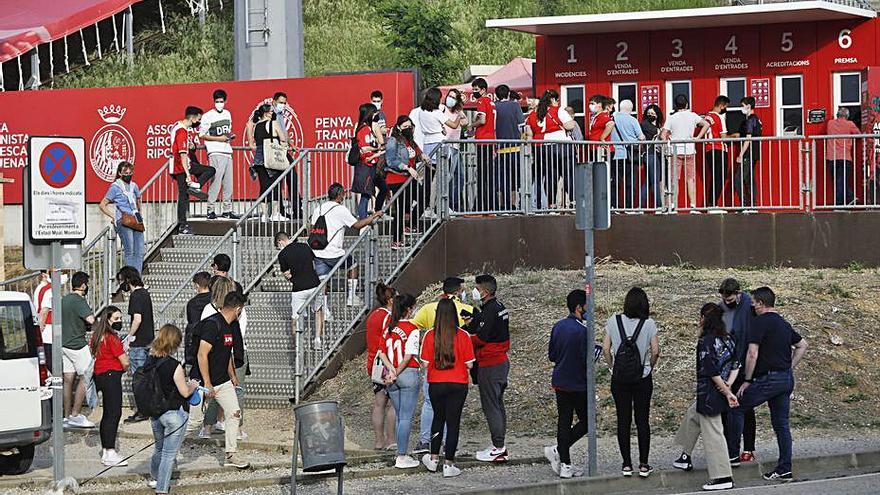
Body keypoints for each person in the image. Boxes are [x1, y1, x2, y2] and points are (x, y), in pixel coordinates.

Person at [729, 287, 808, 483]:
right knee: (782, 425)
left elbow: (752, 353)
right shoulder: (783, 323)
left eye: (754, 302)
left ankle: (731, 455)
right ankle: (785, 469)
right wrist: (789, 367)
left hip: (769, 380)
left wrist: (747, 380)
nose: (753, 306)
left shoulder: (759, 322)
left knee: (736, 407)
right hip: (785, 379)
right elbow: (802, 345)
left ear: (762, 304)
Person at [672, 303, 740, 491]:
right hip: (719, 389)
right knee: (693, 415)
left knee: (714, 434)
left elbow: (710, 370)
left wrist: (727, 392)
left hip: (710, 393)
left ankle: (722, 477)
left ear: (704, 319)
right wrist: (728, 385)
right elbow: (736, 364)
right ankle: (685, 456)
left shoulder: (706, 341)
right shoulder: (728, 338)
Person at [411, 276, 475, 453]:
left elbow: (413, 326)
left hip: (434, 372)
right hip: (457, 375)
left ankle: (426, 443)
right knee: (452, 416)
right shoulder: (468, 310)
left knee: (430, 407)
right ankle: (449, 448)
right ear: (458, 292)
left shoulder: (428, 309)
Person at [603, 287, 660, 478]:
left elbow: (605, 349)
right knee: (642, 420)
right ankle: (644, 464)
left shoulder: (613, 321)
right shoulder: (649, 324)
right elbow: (655, 351)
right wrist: (648, 368)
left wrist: (612, 368)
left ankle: (626, 464)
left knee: (623, 420)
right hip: (642, 378)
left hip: (619, 379)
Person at [193, 291, 250, 468]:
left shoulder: (230, 326)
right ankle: (168, 451)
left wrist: (232, 375)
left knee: (234, 412)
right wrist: (207, 383)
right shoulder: (213, 325)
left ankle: (231, 454)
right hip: (202, 382)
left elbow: (227, 353)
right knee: (192, 422)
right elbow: (202, 355)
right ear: (238, 309)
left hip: (223, 380)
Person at [419, 299, 475, 478]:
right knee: (453, 423)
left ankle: (434, 458)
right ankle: (449, 463)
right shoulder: (463, 335)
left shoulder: (430, 335)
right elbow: (470, 364)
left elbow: (425, 363)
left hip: (436, 383)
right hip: (458, 383)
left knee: (438, 418)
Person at [310, 183, 383, 307]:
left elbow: (311, 228)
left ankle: (325, 311)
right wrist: (374, 216)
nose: (344, 196)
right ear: (339, 195)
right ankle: (351, 297)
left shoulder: (319, 208)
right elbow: (357, 225)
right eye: (343, 194)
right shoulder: (340, 209)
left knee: (323, 281)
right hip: (333, 252)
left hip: (317, 251)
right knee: (353, 265)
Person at [147, 324, 200, 493]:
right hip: (174, 413)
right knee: (169, 455)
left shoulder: (150, 361)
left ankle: (155, 479)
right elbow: (184, 392)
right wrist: (193, 384)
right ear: (175, 343)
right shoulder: (174, 365)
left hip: (155, 412)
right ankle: (162, 489)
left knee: (159, 448)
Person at [545, 289, 590, 478]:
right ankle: (559, 450)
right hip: (578, 383)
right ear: (579, 308)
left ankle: (565, 462)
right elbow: (585, 359)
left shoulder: (558, 326)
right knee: (587, 421)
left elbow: (552, 355)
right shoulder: (583, 331)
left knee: (564, 419)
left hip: (560, 380)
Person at [199, 277, 248, 440]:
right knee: (236, 391)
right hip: (233, 352)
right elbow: (241, 334)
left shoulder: (209, 309)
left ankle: (208, 426)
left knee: (215, 389)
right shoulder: (237, 310)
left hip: (217, 352)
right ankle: (236, 429)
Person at [376, 293, 422, 468]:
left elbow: (381, 351)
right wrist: (398, 371)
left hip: (391, 375)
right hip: (407, 373)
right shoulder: (412, 328)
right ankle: (401, 455)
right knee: (405, 417)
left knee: (398, 414)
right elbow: (409, 355)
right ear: (409, 309)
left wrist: (392, 371)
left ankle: (400, 452)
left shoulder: (389, 327)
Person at [470, 274, 511, 463]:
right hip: (501, 362)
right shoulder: (500, 307)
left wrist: (463, 338)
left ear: (485, 292)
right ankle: (499, 444)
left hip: (490, 364)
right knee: (498, 404)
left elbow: (481, 338)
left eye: (477, 288)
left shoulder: (490, 310)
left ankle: (498, 447)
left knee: (491, 405)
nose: (474, 291)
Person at [717, 278, 757, 465]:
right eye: (725, 299)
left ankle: (748, 447)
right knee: (728, 408)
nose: (728, 302)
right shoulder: (721, 307)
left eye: (731, 299)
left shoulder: (750, 305)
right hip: (728, 364)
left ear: (739, 294)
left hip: (745, 362)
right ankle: (729, 447)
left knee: (745, 407)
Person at [89, 306, 130, 467]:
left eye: (120, 318)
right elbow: (124, 361)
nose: (119, 322)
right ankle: (110, 451)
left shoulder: (97, 335)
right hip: (112, 374)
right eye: (116, 319)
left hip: (100, 374)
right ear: (108, 320)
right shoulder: (112, 338)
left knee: (107, 413)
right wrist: (126, 363)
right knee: (114, 413)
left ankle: (107, 450)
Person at [525, 90, 578, 210]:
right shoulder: (558, 110)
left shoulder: (533, 114)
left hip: (544, 147)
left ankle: (551, 205)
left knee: (550, 177)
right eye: (557, 100)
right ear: (553, 100)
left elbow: (529, 133)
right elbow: (570, 125)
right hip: (563, 146)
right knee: (568, 175)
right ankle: (573, 203)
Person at [117, 266, 155, 424]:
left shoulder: (135, 296)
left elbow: (137, 319)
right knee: (147, 377)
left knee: (138, 378)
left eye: (121, 280)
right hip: (149, 340)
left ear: (127, 279)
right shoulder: (145, 293)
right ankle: (149, 407)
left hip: (138, 343)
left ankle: (142, 411)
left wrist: (129, 337)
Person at [170, 106, 214, 235]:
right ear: (193, 118)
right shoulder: (181, 131)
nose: (199, 122)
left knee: (209, 170)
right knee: (183, 196)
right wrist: (188, 175)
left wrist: (192, 146)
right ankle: (182, 226)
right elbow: (182, 154)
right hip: (180, 167)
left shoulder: (178, 126)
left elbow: (185, 149)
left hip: (183, 165)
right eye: (198, 119)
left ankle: (196, 186)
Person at [60, 271, 96, 429]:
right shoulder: (79, 301)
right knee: (85, 377)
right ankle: (76, 414)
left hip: (63, 344)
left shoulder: (64, 299)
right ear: (83, 285)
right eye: (87, 284)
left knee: (68, 380)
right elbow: (91, 320)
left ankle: (66, 416)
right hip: (77, 344)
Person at [663, 94, 710, 213]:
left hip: (675, 150)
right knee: (691, 179)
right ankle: (692, 206)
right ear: (687, 104)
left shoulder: (672, 117)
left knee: (675, 179)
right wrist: (698, 137)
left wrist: (667, 144)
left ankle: (674, 205)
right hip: (689, 149)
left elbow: (663, 134)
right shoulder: (692, 115)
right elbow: (706, 124)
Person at [384, 116, 425, 249]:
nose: (408, 129)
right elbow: (391, 161)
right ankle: (396, 240)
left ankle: (410, 225)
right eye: (405, 127)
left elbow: (417, 152)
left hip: (408, 178)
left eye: (410, 127)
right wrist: (407, 167)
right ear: (398, 128)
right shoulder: (393, 141)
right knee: (401, 208)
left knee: (423, 196)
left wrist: (423, 156)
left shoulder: (410, 141)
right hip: (396, 178)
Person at [366, 283, 397, 451]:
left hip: (373, 363)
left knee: (379, 404)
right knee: (394, 404)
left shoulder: (373, 315)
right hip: (386, 363)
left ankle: (378, 440)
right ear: (391, 300)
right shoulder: (389, 317)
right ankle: (391, 440)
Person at [275, 231, 322, 342]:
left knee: (295, 317)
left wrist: (292, 278)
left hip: (298, 288)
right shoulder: (305, 246)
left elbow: (286, 274)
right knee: (318, 311)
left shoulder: (282, 254)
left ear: (280, 241)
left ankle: (297, 345)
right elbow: (314, 264)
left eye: (278, 246)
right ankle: (318, 339)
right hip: (314, 284)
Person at [200, 89, 239, 220]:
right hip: (215, 151)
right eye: (217, 101)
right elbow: (202, 135)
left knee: (229, 184)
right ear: (213, 101)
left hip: (227, 151)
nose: (219, 104)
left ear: (225, 101)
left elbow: (227, 131)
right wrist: (219, 138)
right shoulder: (207, 116)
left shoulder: (228, 114)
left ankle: (227, 210)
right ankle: (210, 209)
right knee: (216, 182)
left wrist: (228, 136)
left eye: (221, 101)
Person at [100, 161, 145, 273]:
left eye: (130, 173)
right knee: (130, 251)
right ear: (120, 173)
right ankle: (131, 279)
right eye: (126, 173)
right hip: (123, 220)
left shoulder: (134, 186)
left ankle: (137, 278)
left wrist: (139, 213)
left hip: (136, 219)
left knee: (139, 251)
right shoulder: (115, 187)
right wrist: (113, 216)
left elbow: (138, 200)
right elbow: (102, 204)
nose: (128, 175)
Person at [250, 103, 289, 221]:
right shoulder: (273, 123)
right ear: (267, 113)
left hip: (259, 159)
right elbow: (283, 138)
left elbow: (255, 142)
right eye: (272, 112)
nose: (273, 114)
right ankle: (275, 213)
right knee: (276, 185)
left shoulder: (256, 126)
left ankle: (264, 214)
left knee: (264, 186)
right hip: (272, 157)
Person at [352, 103, 385, 219]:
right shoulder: (364, 129)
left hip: (372, 165)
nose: (377, 115)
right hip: (365, 166)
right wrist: (378, 149)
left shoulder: (370, 127)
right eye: (374, 113)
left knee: (382, 188)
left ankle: (376, 212)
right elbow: (365, 149)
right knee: (365, 195)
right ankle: (363, 221)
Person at [696, 96, 730, 208]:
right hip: (719, 149)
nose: (726, 109)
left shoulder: (707, 117)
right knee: (720, 177)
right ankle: (712, 204)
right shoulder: (719, 117)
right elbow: (723, 137)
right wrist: (735, 136)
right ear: (721, 105)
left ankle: (711, 203)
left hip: (709, 150)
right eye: (726, 106)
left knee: (715, 177)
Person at [495, 85, 525, 210]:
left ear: (496, 95)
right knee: (514, 180)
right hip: (515, 149)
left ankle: (503, 205)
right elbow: (521, 125)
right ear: (508, 94)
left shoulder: (494, 106)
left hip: (499, 149)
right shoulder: (515, 106)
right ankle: (513, 204)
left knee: (502, 178)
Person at [611, 100, 645, 209]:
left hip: (615, 154)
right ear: (631, 109)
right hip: (630, 156)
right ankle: (629, 206)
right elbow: (641, 137)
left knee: (615, 182)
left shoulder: (612, 119)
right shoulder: (633, 120)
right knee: (631, 183)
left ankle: (614, 205)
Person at [271, 91, 300, 219]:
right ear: (274, 102)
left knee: (292, 177)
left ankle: (296, 209)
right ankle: (280, 210)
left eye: (284, 103)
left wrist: (292, 144)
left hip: (283, 150)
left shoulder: (280, 115)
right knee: (278, 181)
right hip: (275, 150)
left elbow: (284, 131)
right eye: (280, 103)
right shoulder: (271, 115)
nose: (282, 105)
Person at [825, 107, 860, 206]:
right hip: (844, 157)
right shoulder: (850, 124)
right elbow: (858, 134)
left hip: (831, 157)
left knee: (838, 182)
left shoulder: (830, 123)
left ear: (837, 114)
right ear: (847, 116)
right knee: (841, 181)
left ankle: (850, 197)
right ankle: (841, 204)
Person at [471, 78, 497, 212]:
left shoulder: (481, 101)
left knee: (481, 176)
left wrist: (471, 126)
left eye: (476, 90)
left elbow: (482, 120)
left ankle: (481, 205)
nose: (474, 92)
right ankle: (491, 205)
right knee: (489, 175)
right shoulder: (492, 103)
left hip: (483, 141)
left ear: (483, 90)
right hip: (491, 140)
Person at [733, 97, 762, 210]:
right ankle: (753, 205)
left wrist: (740, 154)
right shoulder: (757, 119)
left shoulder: (750, 120)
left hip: (748, 154)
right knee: (749, 178)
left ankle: (744, 204)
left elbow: (748, 138)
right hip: (754, 153)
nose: (741, 108)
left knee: (738, 178)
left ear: (748, 106)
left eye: (742, 105)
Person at [443, 89, 468, 212]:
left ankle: (454, 203)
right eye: (449, 96)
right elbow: (452, 124)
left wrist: (460, 111)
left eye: (454, 97)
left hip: (456, 147)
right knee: (448, 176)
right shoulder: (442, 108)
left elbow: (465, 122)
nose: (450, 99)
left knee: (460, 177)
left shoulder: (458, 111)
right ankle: (446, 204)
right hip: (446, 146)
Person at [34, 270, 62, 372]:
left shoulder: (41, 289)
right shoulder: (50, 290)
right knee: (50, 359)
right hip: (49, 329)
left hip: (46, 328)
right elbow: (44, 310)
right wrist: (40, 327)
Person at [640, 104, 665, 210]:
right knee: (654, 181)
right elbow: (656, 132)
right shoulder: (645, 124)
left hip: (653, 155)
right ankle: (659, 206)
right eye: (649, 113)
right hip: (650, 155)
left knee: (648, 181)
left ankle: (640, 206)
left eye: (653, 113)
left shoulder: (656, 126)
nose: (651, 115)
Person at [587, 95, 615, 163]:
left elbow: (611, 123)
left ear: (599, 105)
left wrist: (602, 138)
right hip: (596, 149)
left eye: (592, 103)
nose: (590, 106)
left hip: (601, 150)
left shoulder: (602, 116)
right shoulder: (596, 116)